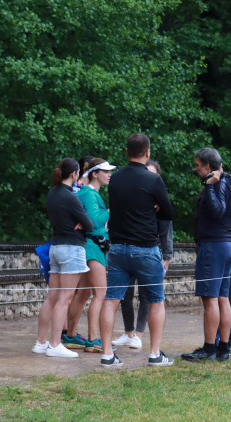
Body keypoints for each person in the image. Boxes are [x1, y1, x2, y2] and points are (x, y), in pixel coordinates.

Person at [98, 134, 174, 367]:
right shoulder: (153, 180)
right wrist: (156, 209)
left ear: (126, 151)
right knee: (156, 301)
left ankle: (107, 354)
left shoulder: (116, 179)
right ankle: (154, 354)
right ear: (148, 152)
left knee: (111, 300)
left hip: (118, 249)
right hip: (145, 248)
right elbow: (169, 213)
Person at [181, 147, 231, 363]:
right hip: (228, 246)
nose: (196, 169)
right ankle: (223, 348)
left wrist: (210, 187)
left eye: (198, 165)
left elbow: (218, 210)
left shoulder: (216, 184)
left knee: (210, 299)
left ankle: (210, 349)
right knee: (222, 298)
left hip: (214, 246)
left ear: (208, 167)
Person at [32, 158, 93, 358]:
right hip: (72, 249)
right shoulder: (70, 197)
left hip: (55, 247)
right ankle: (56, 344)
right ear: (75, 174)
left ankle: (41, 342)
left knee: (52, 297)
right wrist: (82, 223)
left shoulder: (52, 194)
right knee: (65, 298)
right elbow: (90, 225)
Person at [115, 158, 172, 351]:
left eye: (151, 173)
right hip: (130, 248)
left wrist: (166, 256)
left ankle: (139, 334)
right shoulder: (134, 199)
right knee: (125, 293)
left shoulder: (160, 201)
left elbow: (167, 230)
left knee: (148, 296)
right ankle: (128, 332)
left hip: (150, 250)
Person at [61, 158, 116, 353]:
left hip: (89, 246)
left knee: (84, 292)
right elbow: (93, 221)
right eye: (105, 172)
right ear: (95, 174)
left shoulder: (87, 193)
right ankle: (93, 339)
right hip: (93, 247)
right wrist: (110, 211)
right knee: (100, 293)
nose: (109, 175)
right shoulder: (90, 194)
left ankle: (71, 335)